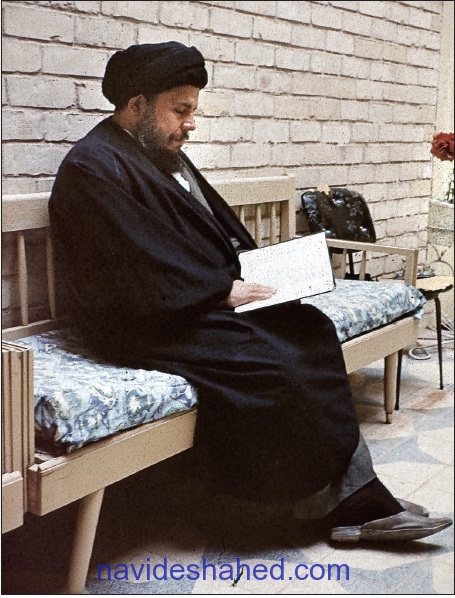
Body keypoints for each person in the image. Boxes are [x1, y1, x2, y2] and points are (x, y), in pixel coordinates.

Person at [49, 42, 452, 544]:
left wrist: (261, 273)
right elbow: (129, 271)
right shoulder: (92, 167)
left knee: (309, 329)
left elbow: (214, 232)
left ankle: (357, 492)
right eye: (180, 110)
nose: (191, 123)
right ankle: (327, 506)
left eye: (192, 110)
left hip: (184, 306)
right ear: (136, 104)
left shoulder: (157, 154)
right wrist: (222, 291)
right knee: (276, 365)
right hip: (141, 323)